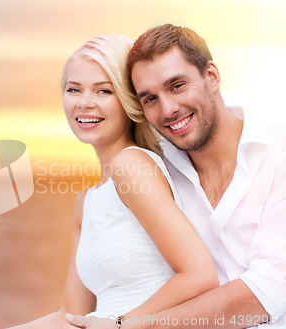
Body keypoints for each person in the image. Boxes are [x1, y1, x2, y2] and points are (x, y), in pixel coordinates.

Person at [67, 24, 286, 329]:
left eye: (177, 85)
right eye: (150, 99)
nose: (168, 109)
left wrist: (129, 325)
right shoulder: (160, 170)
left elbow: (269, 289)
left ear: (211, 76)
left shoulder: (278, 155)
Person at [7, 34, 219, 329]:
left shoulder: (130, 166)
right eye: (73, 89)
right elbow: (69, 314)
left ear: (128, 99)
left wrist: (120, 323)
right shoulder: (86, 202)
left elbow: (199, 275)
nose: (84, 103)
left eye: (103, 91)